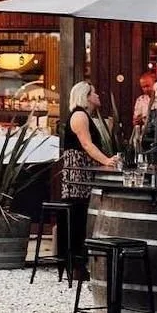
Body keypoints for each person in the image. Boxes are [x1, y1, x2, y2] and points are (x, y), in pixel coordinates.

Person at [62, 81, 120, 264]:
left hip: (83, 171)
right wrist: (107, 161)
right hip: (78, 173)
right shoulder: (79, 115)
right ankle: (76, 261)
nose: (97, 96)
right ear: (85, 96)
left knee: (82, 213)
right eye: (94, 93)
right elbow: (87, 145)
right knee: (79, 214)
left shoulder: (84, 115)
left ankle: (78, 260)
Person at [131, 70, 157, 143]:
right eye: (143, 87)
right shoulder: (140, 100)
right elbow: (135, 121)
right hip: (145, 134)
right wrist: (137, 121)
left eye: (147, 86)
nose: (145, 89)